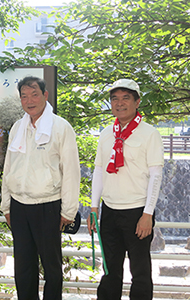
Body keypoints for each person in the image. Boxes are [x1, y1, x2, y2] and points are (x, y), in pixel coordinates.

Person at [0, 76, 80, 300]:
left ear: (45, 95)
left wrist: (68, 211)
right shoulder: (18, 127)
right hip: (19, 206)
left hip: (48, 205)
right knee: (23, 267)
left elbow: (72, 172)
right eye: (24, 96)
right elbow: (9, 167)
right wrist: (6, 205)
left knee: (52, 267)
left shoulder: (61, 127)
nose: (29, 100)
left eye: (34, 94)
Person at [87, 79, 164, 300]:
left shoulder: (149, 134)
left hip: (137, 211)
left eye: (126, 98)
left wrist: (148, 213)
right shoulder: (106, 134)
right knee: (110, 269)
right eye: (115, 99)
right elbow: (99, 171)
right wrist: (94, 207)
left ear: (137, 102)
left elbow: (156, 175)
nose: (119, 103)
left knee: (140, 271)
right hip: (109, 210)